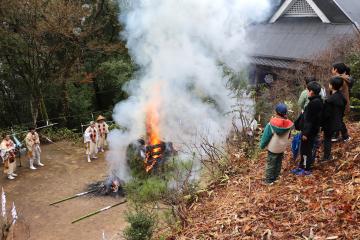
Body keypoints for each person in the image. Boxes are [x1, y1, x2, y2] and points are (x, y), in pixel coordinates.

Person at [293, 81, 324, 175]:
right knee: (304, 150)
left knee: (306, 150)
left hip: (309, 132)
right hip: (312, 131)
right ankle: (302, 166)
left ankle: (306, 169)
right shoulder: (317, 101)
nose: (306, 91)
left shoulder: (313, 104)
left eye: (307, 90)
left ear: (311, 91)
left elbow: (309, 120)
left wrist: (305, 133)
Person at [260, 103, 294, 184]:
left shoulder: (271, 124)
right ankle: (276, 177)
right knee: (278, 162)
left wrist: (262, 145)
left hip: (273, 148)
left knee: (271, 163)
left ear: (276, 112)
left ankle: (268, 180)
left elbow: (266, 136)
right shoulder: (289, 124)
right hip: (281, 148)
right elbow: (289, 136)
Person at [321, 77, 347, 162]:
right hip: (338, 121)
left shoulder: (330, 100)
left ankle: (326, 157)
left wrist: (321, 123)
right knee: (329, 138)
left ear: (332, 86)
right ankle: (327, 156)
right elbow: (342, 111)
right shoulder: (342, 97)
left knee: (327, 139)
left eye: (330, 83)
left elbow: (326, 114)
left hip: (329, 123)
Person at [331, 62, 351, 142]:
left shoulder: (338, 80)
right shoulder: (343, 78)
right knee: (338, 119)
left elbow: (334, 92)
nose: (331, 70)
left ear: (335, 70)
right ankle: (341, 136)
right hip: (343, 103)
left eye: (332, 68)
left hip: (339, 104)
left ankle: (343, 136)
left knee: (338, 120)